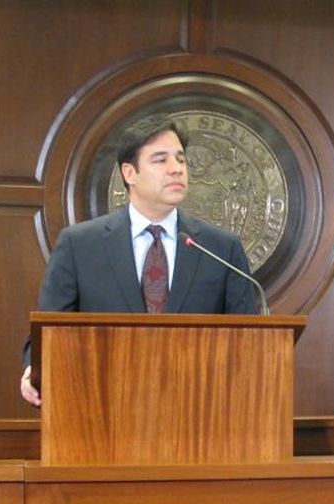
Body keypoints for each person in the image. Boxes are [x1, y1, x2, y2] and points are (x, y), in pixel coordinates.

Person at [20, 115, 257, 406]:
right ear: (130, 173)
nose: (176, 169)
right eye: (160, 160)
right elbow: (47, 331)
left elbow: (251, 339)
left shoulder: (221, 248)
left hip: (199, 412)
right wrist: (35, 369)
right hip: (102, 409)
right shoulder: (79, 245)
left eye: (181, 160)